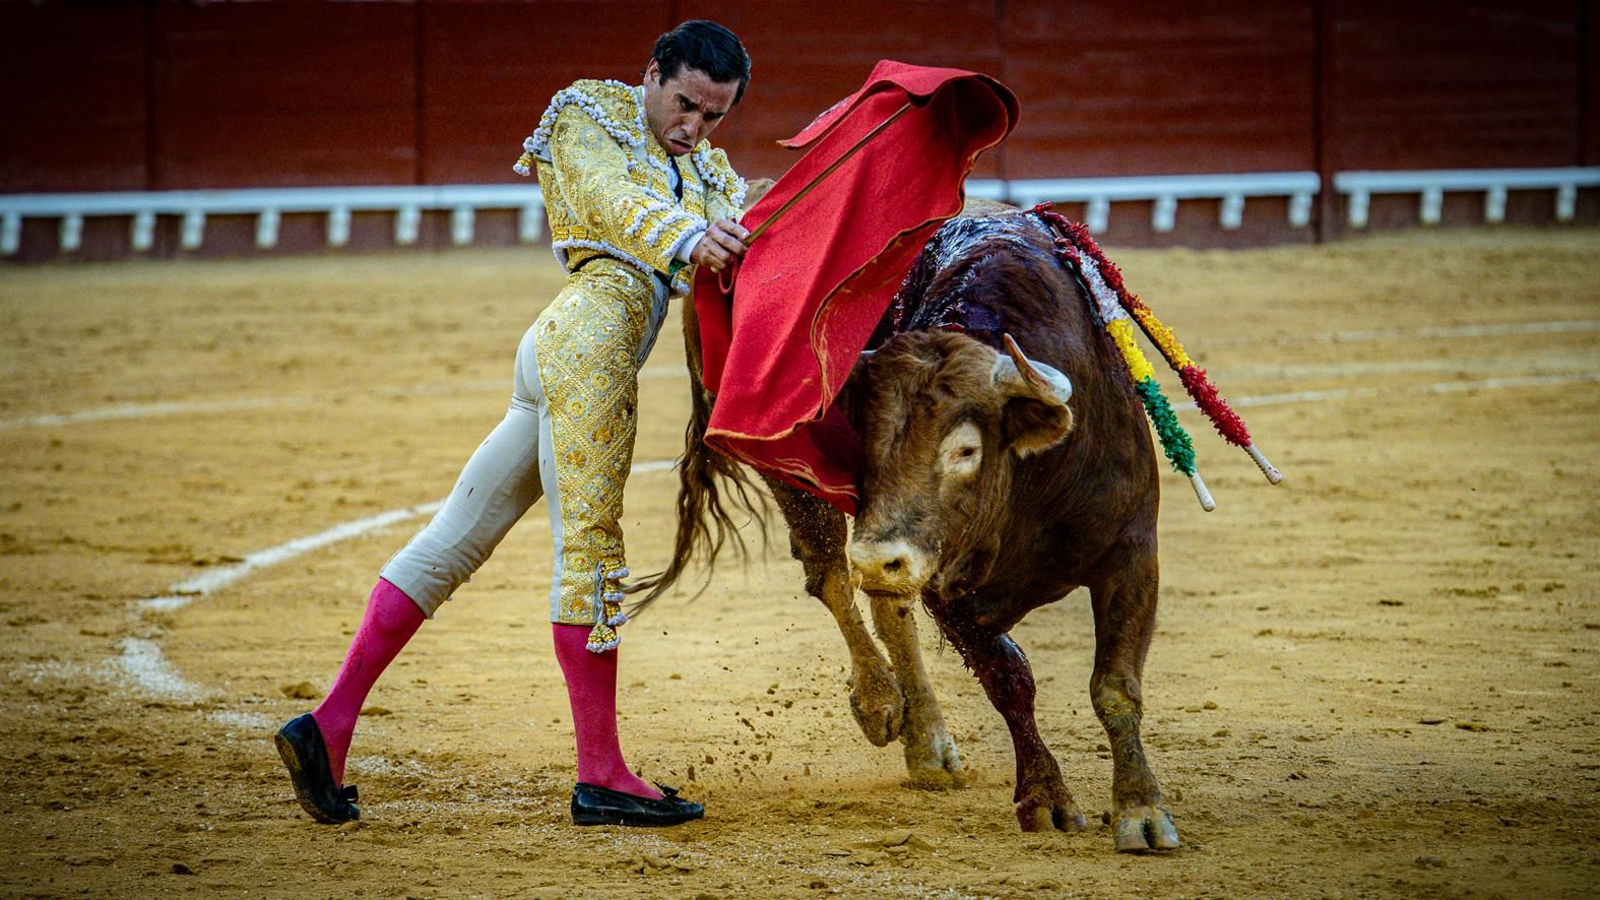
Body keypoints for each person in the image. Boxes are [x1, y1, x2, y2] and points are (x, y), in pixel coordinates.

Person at [275, 19, 753, 828]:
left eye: (713, 116)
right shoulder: (587, 114)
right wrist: (686, 235)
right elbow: (607, 197)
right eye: (684, 106)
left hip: (564, 351)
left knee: (453, 541)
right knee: (591, 552)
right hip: (588, 350)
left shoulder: (705, 169)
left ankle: (328, 724)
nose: (693, 128)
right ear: (652, 75)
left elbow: (748, 226)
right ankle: (600, 773)